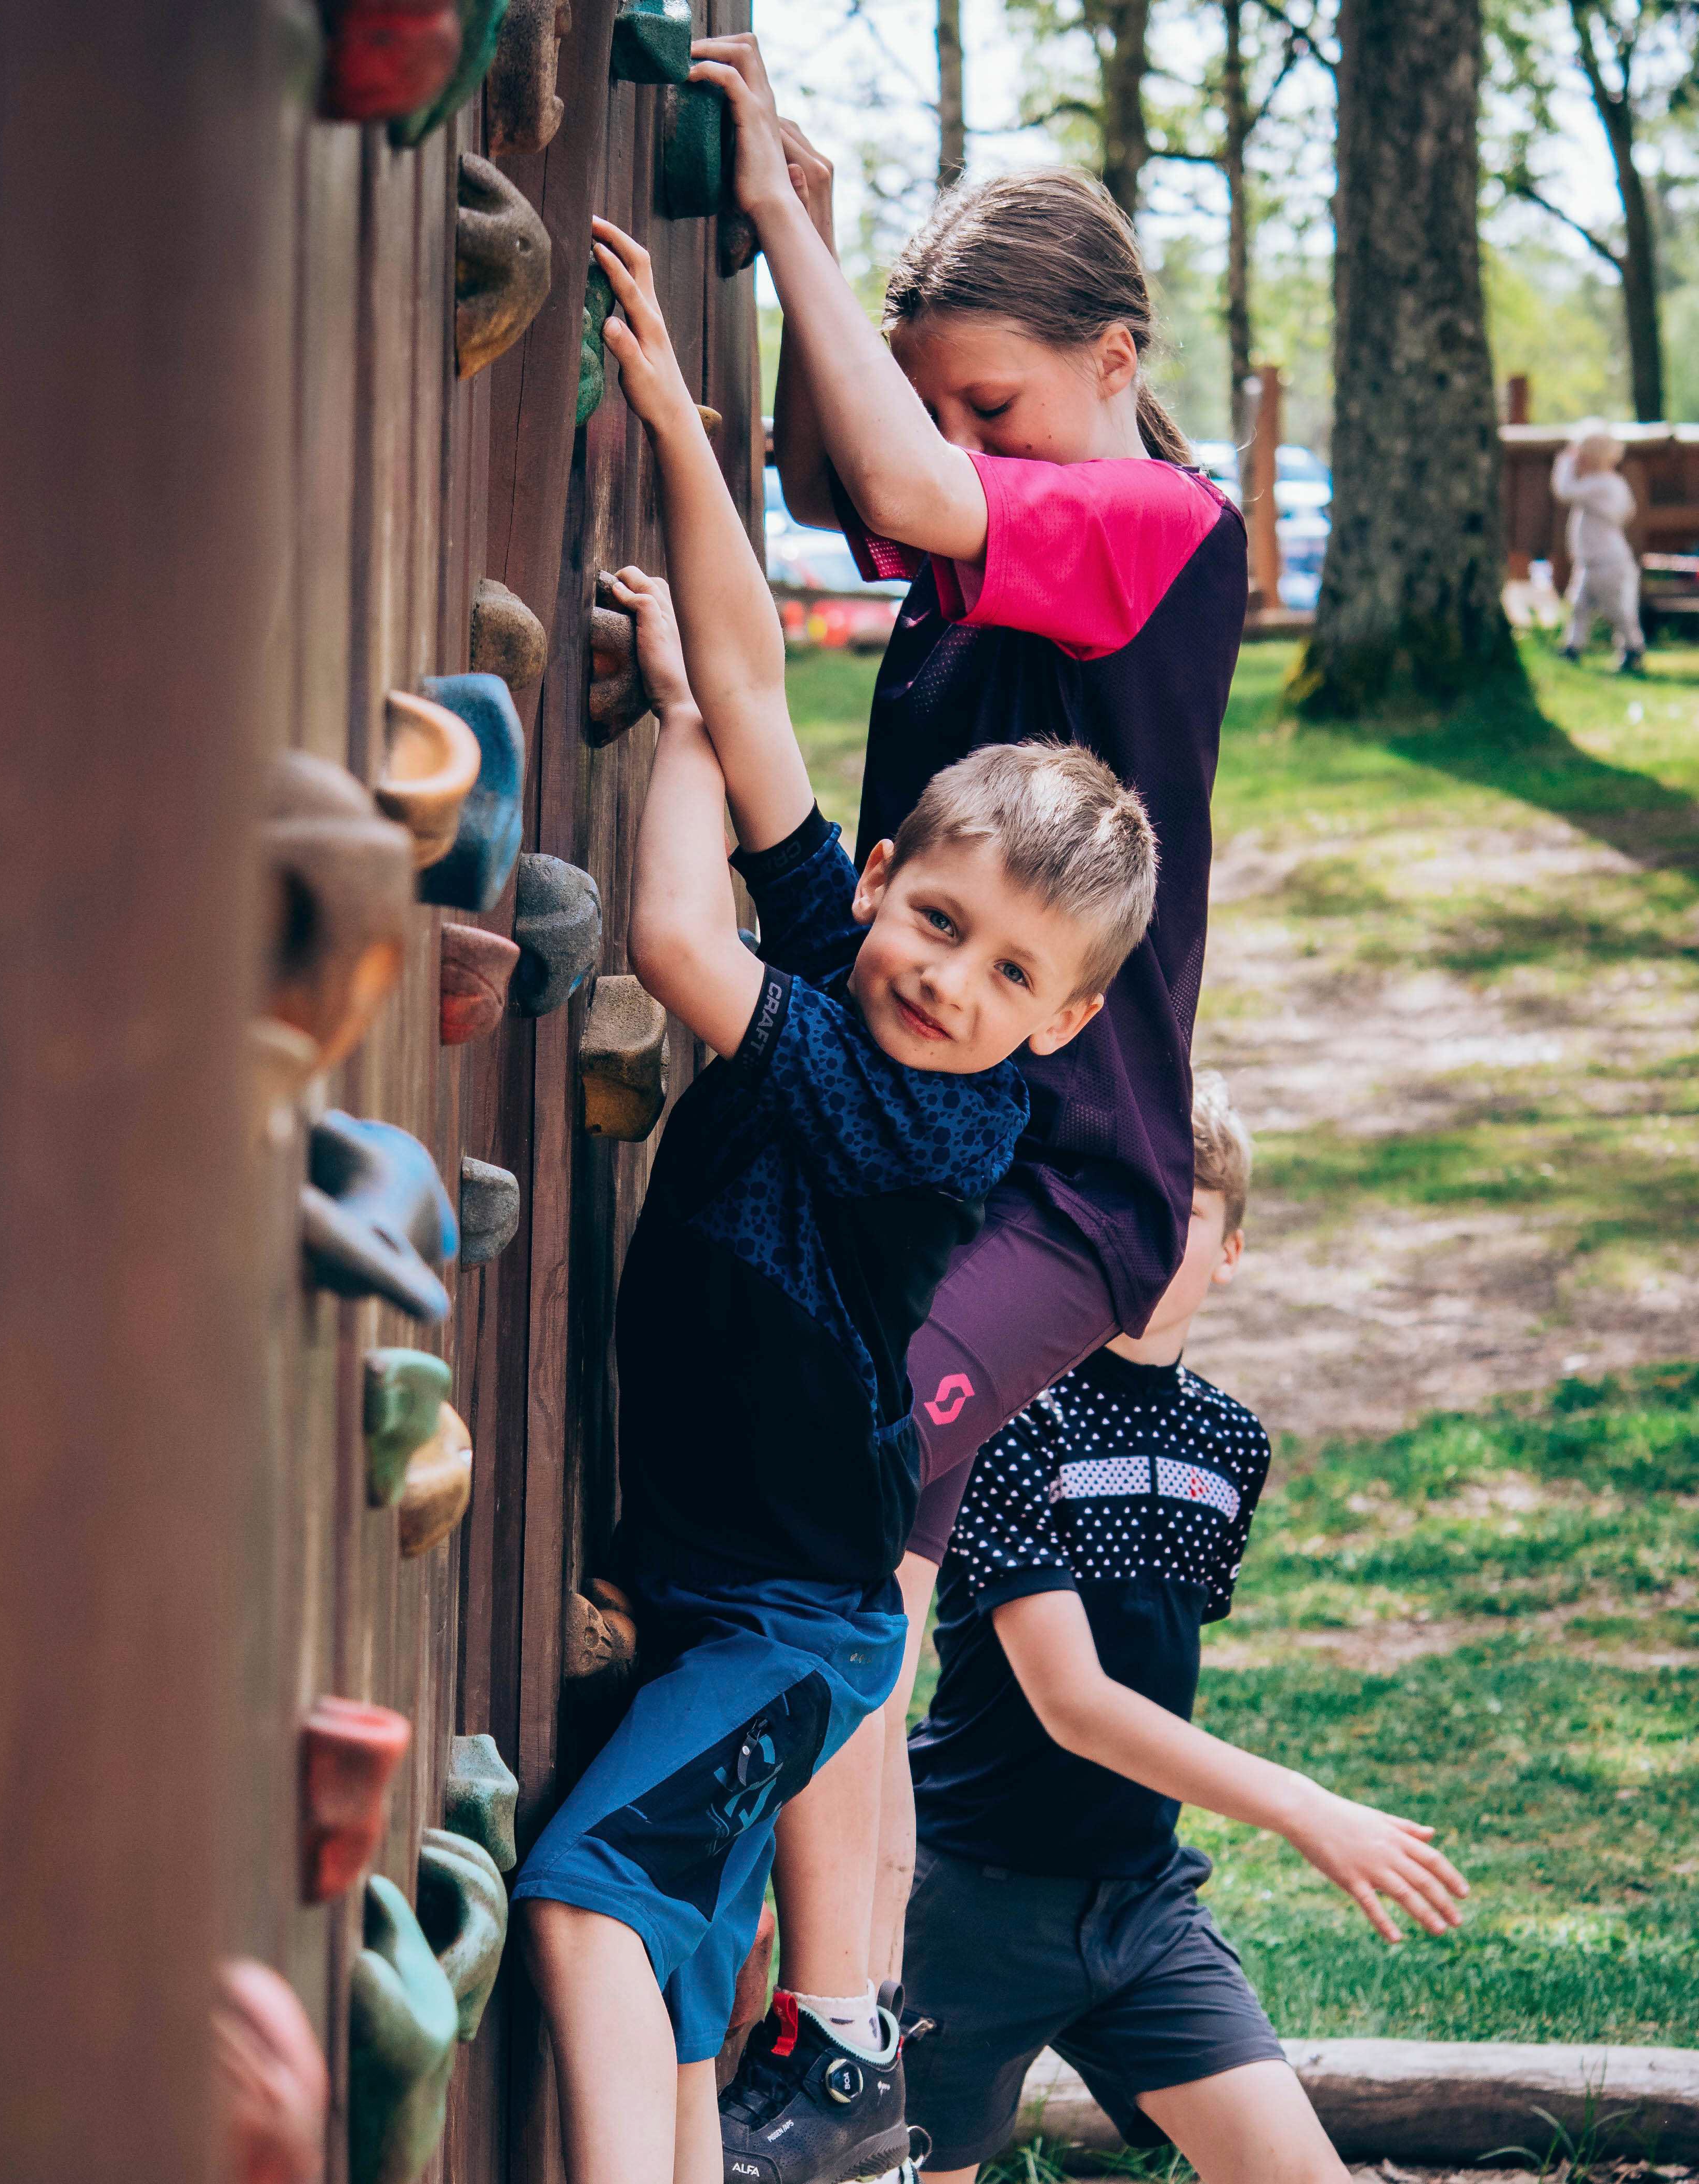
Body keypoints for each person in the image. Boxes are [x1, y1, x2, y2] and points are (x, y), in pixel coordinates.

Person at [510, 216, 1164, 2184]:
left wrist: (694, 739)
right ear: (882, 879)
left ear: (1058, 1026)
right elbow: (764, 700)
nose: (947, 982)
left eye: (1004, 980)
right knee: (691, 1952)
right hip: (729, 1596)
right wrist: (681, 441)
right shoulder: (862, 952)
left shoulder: (926, 1120)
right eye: (937, 922)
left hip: (787, 1632)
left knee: (583, 1891)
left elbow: (671, 936)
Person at [682, 36, 1249, 2175]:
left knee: (855, 1502)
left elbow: (898, 487)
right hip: (938, 1138)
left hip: (1068, 1182)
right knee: (812, 1503)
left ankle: (846, 2042)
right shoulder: (985, 532)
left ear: (1112, 362)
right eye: (940, 400)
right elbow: (856, 480)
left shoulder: (1152, 524)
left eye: (990, 401)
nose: (951, 441)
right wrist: (816, 254)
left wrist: (772, 219)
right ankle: (779, 1985)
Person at [893, 1072, 1470, 2184]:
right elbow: (1071, 1701)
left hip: (1142, 1905)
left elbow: (1154, 1653)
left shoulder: (1231, 1442)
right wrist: (1302, 1806)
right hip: (968, 1905)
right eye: (1129, 1209)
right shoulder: (1010, 1410)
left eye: (1184, 1213)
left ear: (1230, 1250)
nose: (1152, 1238)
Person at [1552, 427, 1644, 673]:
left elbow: (1564, 492)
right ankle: (1573, 646)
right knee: (1579, 606)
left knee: (1617, 610)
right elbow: (1629, 510)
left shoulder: (1599, 484)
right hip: (1592, 561)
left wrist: (1564, 463)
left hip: (1607, 562)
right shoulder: (1613, 483)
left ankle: (1633, 647)